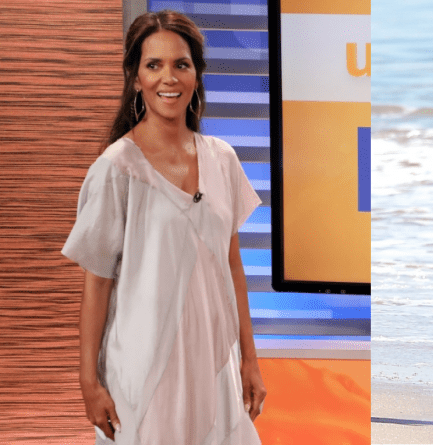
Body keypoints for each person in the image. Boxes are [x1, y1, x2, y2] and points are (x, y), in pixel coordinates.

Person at [62, 10, 265, 444]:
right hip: (142, 373)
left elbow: (233, 268)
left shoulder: (223, 159)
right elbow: (96, 284)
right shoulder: (116, 169)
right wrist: (88, 382)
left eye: (181, 64)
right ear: (136, 78)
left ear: (196, 75)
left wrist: (249, 359)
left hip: (214, 368)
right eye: (153, 65)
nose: (167, 78)